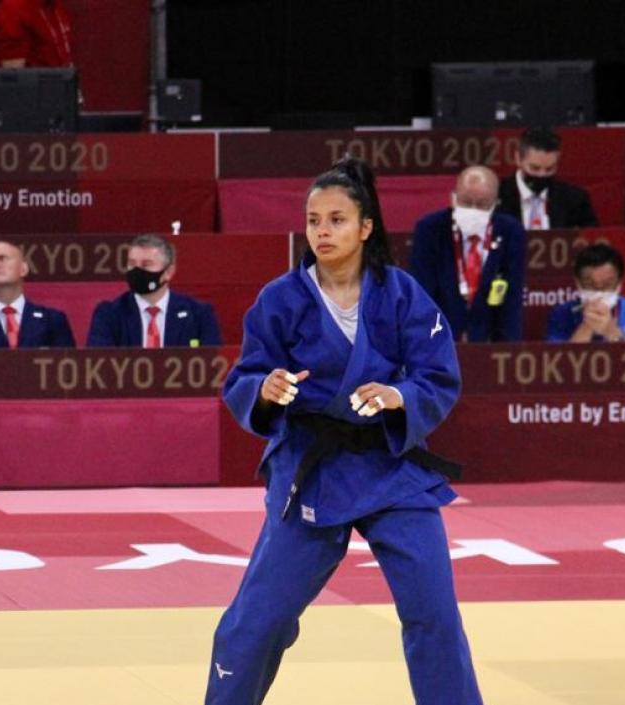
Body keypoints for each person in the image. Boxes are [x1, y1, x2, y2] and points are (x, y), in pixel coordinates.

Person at [205, 156, 481, 705]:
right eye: (313, 220)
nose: (322, 231)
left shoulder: (401, 293)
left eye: (335, 219)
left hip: (392, 469)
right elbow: (247, 374)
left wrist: (399, 395)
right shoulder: (281, 298)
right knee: (259, 620)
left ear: (365, 227)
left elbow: (437, 374)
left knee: (434, 616)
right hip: (313, 468)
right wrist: (265, 387)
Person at [409, 165, 527, 342]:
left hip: (489, 339)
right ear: (453, 199)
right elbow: (422, 294)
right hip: (438, 338)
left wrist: (506, 350)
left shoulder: (511, 232)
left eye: (481, 205)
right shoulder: (430, 229)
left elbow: (512, 299)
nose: (472, 210)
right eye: (466, 202)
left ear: (495, 204)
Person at [86, 234, 222, 348]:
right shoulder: (109, 315)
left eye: (146, 264)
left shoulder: (199, 315)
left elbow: (211, 366)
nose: (136, 271)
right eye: (132, 264)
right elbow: (100, 367)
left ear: (168, 272)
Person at [547, 243, 625, 343]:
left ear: (619, 283)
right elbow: (561, 361)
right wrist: (587, 325)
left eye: (607, 285)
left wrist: (609, 330)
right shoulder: (562, 313)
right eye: (590, 284)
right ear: (578, 283)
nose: (599, 291)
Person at [497, 127, 598, 230]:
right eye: (534, 168)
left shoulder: (575, 200)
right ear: (518, 159)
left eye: (549, 169)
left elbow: (590, 239)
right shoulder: (496, 195)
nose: (542, 175)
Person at [0, 0, 74, 68]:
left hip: (63, 83)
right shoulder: (13, 9)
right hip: (40, 86)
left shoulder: (55, 6)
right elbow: (15, 80)